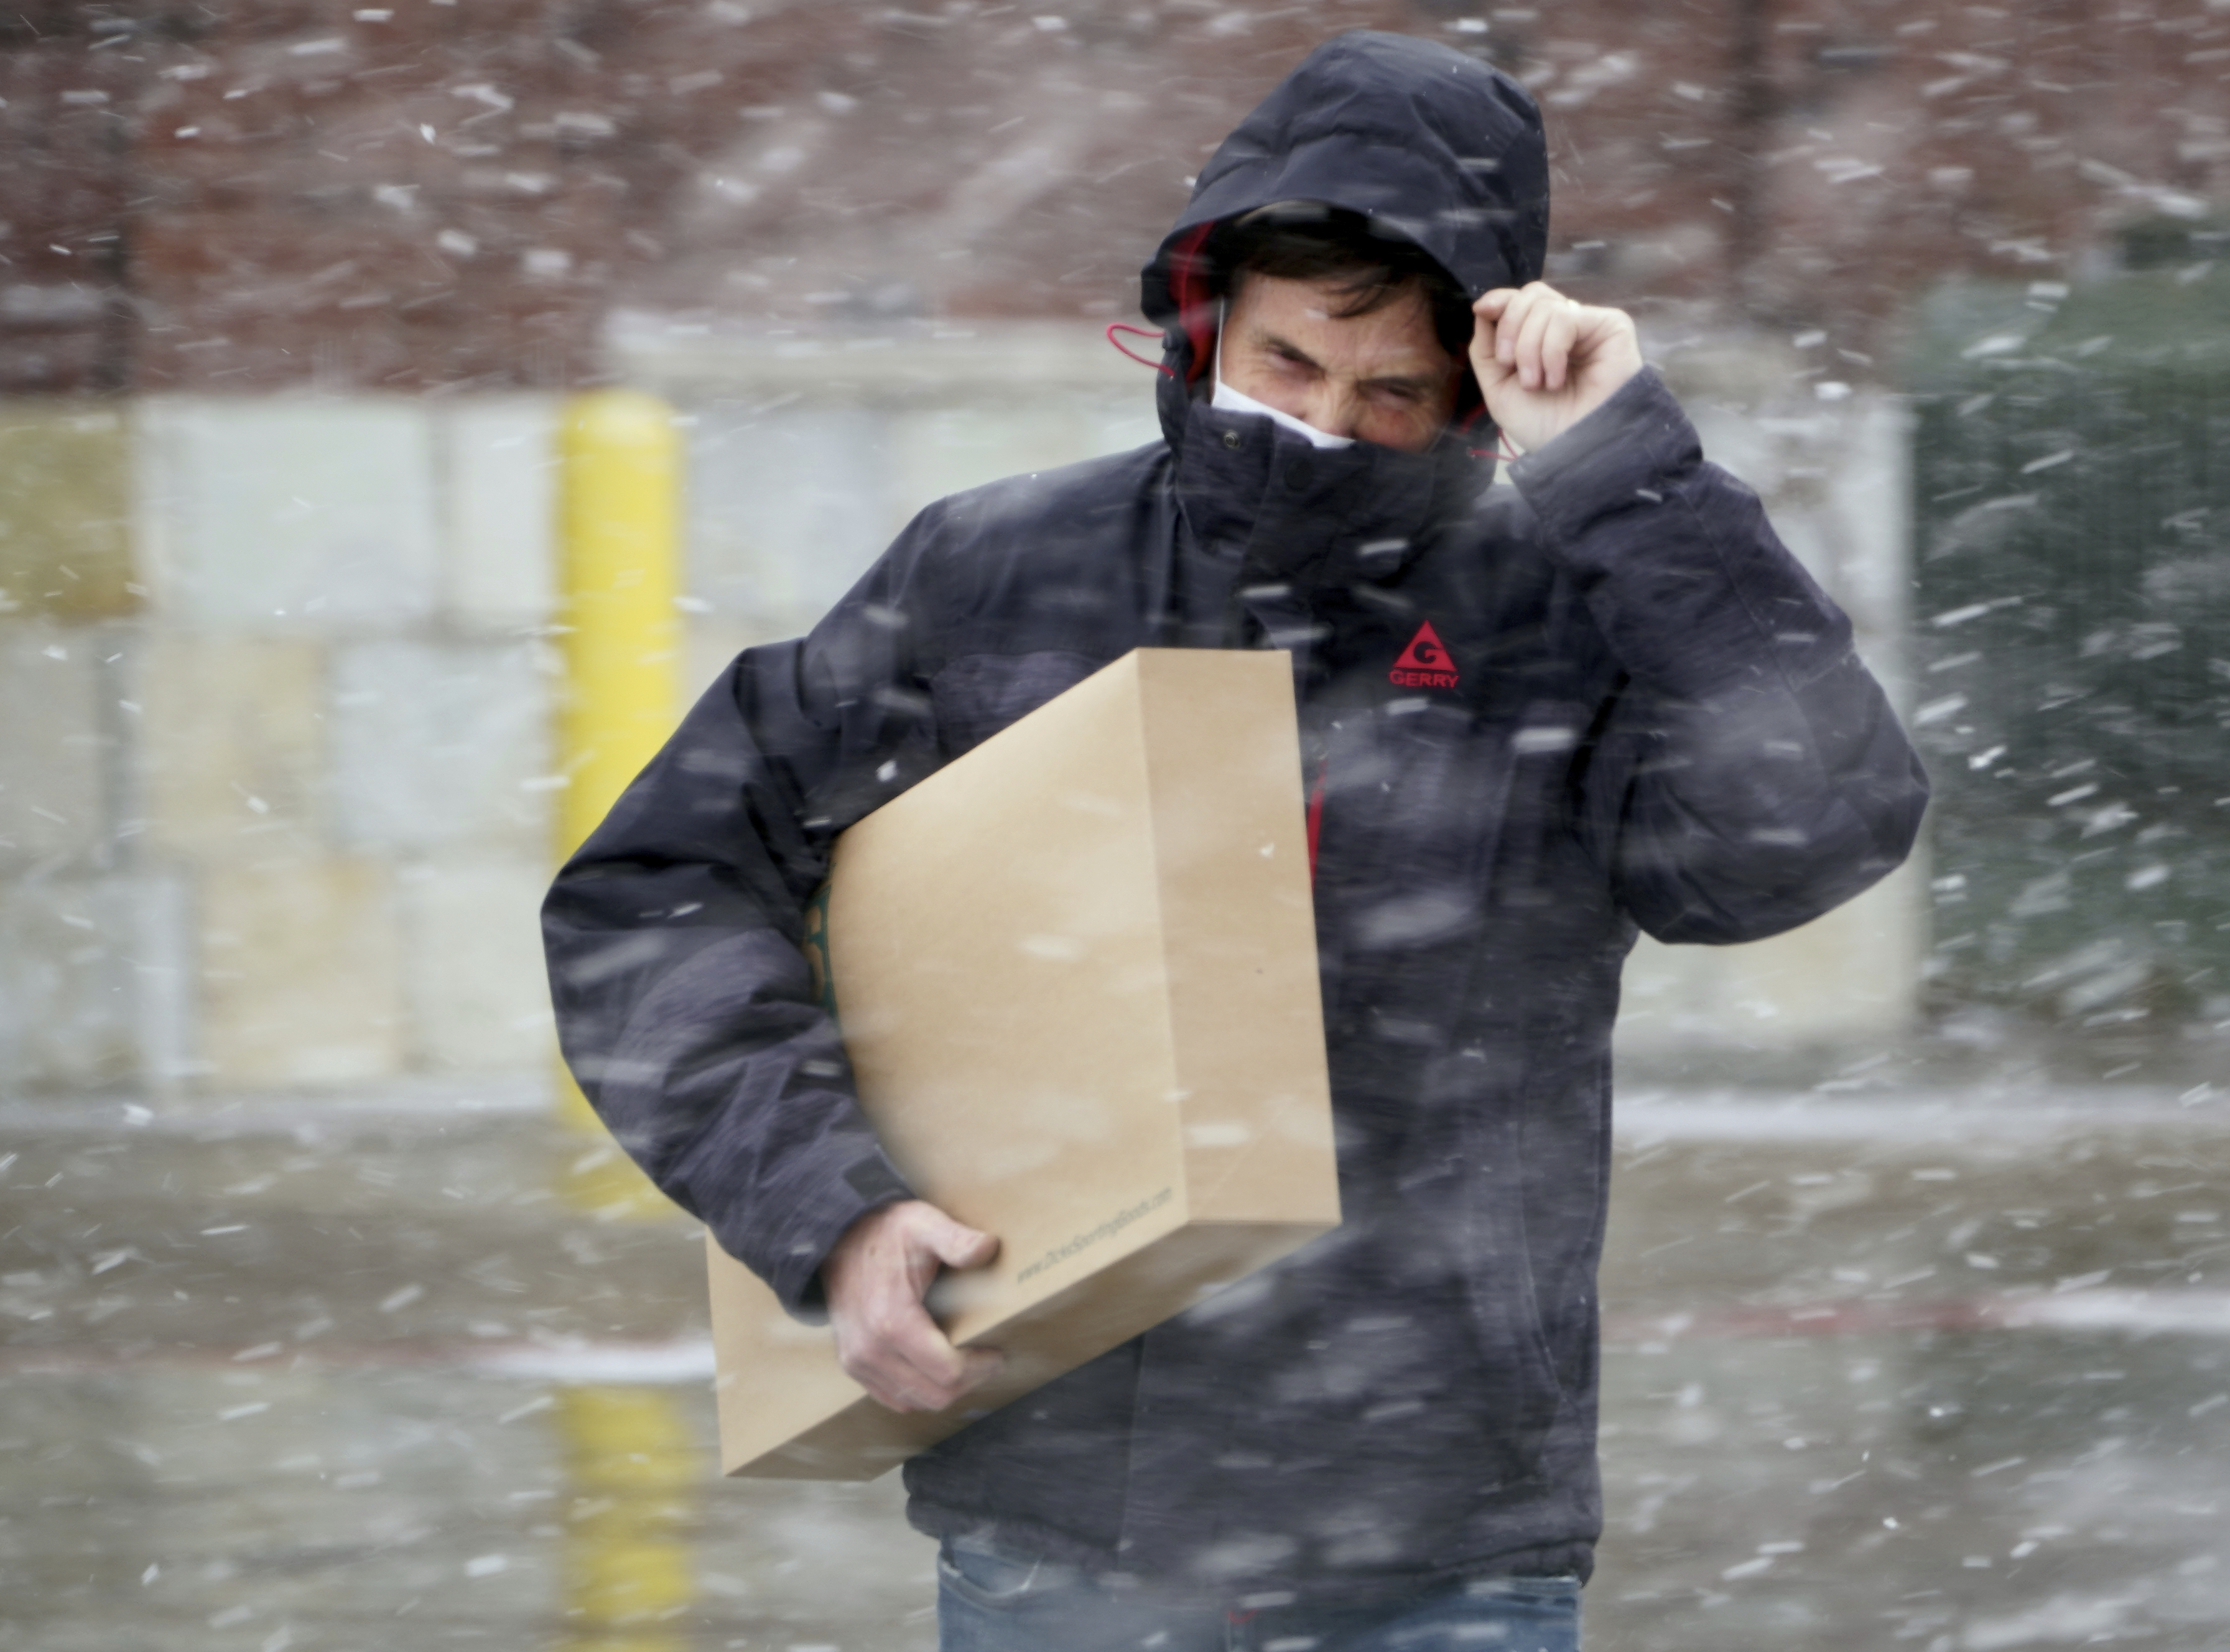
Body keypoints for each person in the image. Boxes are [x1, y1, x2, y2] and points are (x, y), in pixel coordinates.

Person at [542, 29, 1928, 1651]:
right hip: (1068, 1521)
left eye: (1389, 392)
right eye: (1284, 364)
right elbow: (658, 894)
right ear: (1203, 324)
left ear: (1469, 395)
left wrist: (1627, 474)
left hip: (1444, 1543)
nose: (1323, 423)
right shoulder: (997, 572)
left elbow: (1816, 821)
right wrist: (828, 1210)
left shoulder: (1555, 610)